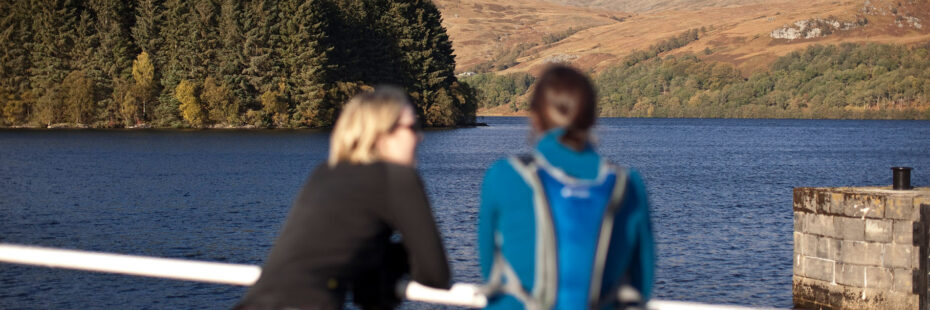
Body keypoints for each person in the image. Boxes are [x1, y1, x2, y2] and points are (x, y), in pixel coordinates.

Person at [235, 87, 451, 310]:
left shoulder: (324, 174)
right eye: (412, 127)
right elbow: (435, 274)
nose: (420, 137)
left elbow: (338, 246)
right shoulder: (398, 178)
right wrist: (394, 262)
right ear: (382, 135)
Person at [477, 65, 655, 310]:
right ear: (592, 118)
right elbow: (642, 283)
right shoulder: (628, 184)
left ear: (535, 117)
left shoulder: (504, 175)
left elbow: (490, 269)